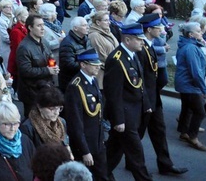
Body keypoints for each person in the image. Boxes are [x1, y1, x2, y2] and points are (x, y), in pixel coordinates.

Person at [136, 13, 188, 175]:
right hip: (144, 100)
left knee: (159, 130)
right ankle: (124, 165)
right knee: (134, 135)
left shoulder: (149, 45)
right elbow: (140, 78)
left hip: (154, 98)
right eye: (158, 27)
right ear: (149, 29)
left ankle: (165, 164)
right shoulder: (141, 48)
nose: (162, 29)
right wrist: (145, 101)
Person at [102, 23, 151, 180]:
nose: (142, 42)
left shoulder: (133, 54)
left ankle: (99, 174)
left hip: (134, 111)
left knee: (114, 150)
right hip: (124, 114)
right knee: (136, 152)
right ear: (128, 39)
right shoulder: (117, 60)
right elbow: (113, 93)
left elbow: (140, 82)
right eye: (139, 39)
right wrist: (118, 119)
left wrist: (147, 105)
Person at [63, 48, 108, 181]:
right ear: (83, 65)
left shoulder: (92, 80)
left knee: (102, 175)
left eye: (98, 63)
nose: (98, 66)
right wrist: (85, 151)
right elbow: (75, 123)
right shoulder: (75, 86)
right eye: (94, 64)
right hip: (86, 144)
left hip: (97, 141)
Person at [174, 21, 206, 151]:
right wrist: (204, 90)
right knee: (200, 112)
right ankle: (192, 137)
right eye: (198, 31)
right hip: (189, 84)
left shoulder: (188, 44)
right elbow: (195, 72)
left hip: (184, 83)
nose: (201, 33)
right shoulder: (191, 48)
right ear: (190, 34)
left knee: (187, 108)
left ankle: (184, 132)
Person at [16, 14, 57, 117]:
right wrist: (47, 70)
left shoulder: (44, 41)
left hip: (45, 88)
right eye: (39, 26)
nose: (43, 28)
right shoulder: (24, 47)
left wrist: (53, 67)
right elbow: (25, 71)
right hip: (31, 93)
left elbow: (49, 58)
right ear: (30, 27)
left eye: (43, 25)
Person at [20, 86, 70, 150]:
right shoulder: (28, 128)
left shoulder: (62, 122)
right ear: (39, 107)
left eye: (59, 108)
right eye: (52, 109)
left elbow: (66, 142)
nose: (56, 113)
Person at [58, 16, 89, 92]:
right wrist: (87, 66)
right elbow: (68, 64)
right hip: (71, 81)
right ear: (75, 28)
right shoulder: (67, 43)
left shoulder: (87, 39)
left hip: (82, 78)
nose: (87, 27)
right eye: (84, 25)